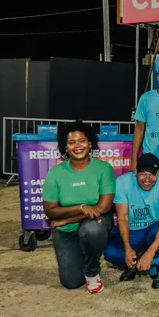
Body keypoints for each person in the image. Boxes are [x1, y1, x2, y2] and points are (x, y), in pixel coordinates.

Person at [42, 121, 115, 293]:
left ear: (90, 143)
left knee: (92, 231)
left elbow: (103, 207)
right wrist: (81, 207)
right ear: (65, 147)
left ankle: (92, 271)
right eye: (71, 142)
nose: (77, 146)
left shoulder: (103, 169)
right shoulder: (55, 173)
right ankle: (83, 252)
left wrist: (66, 219)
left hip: (95, 223)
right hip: (67, 231)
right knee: (71, 282)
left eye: (82, 141)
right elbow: (50, 210)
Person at [103, 153, 159, 289]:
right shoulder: (122, 183)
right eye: (142, 174)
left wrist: (151, 253)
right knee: (110, 253)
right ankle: (134, 262)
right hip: (131, 230)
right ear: (135, 171)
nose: (147, 179)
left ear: (158, 172)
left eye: (152, 174)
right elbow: (122, 217)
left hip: (153, 229)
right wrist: (127, 247)